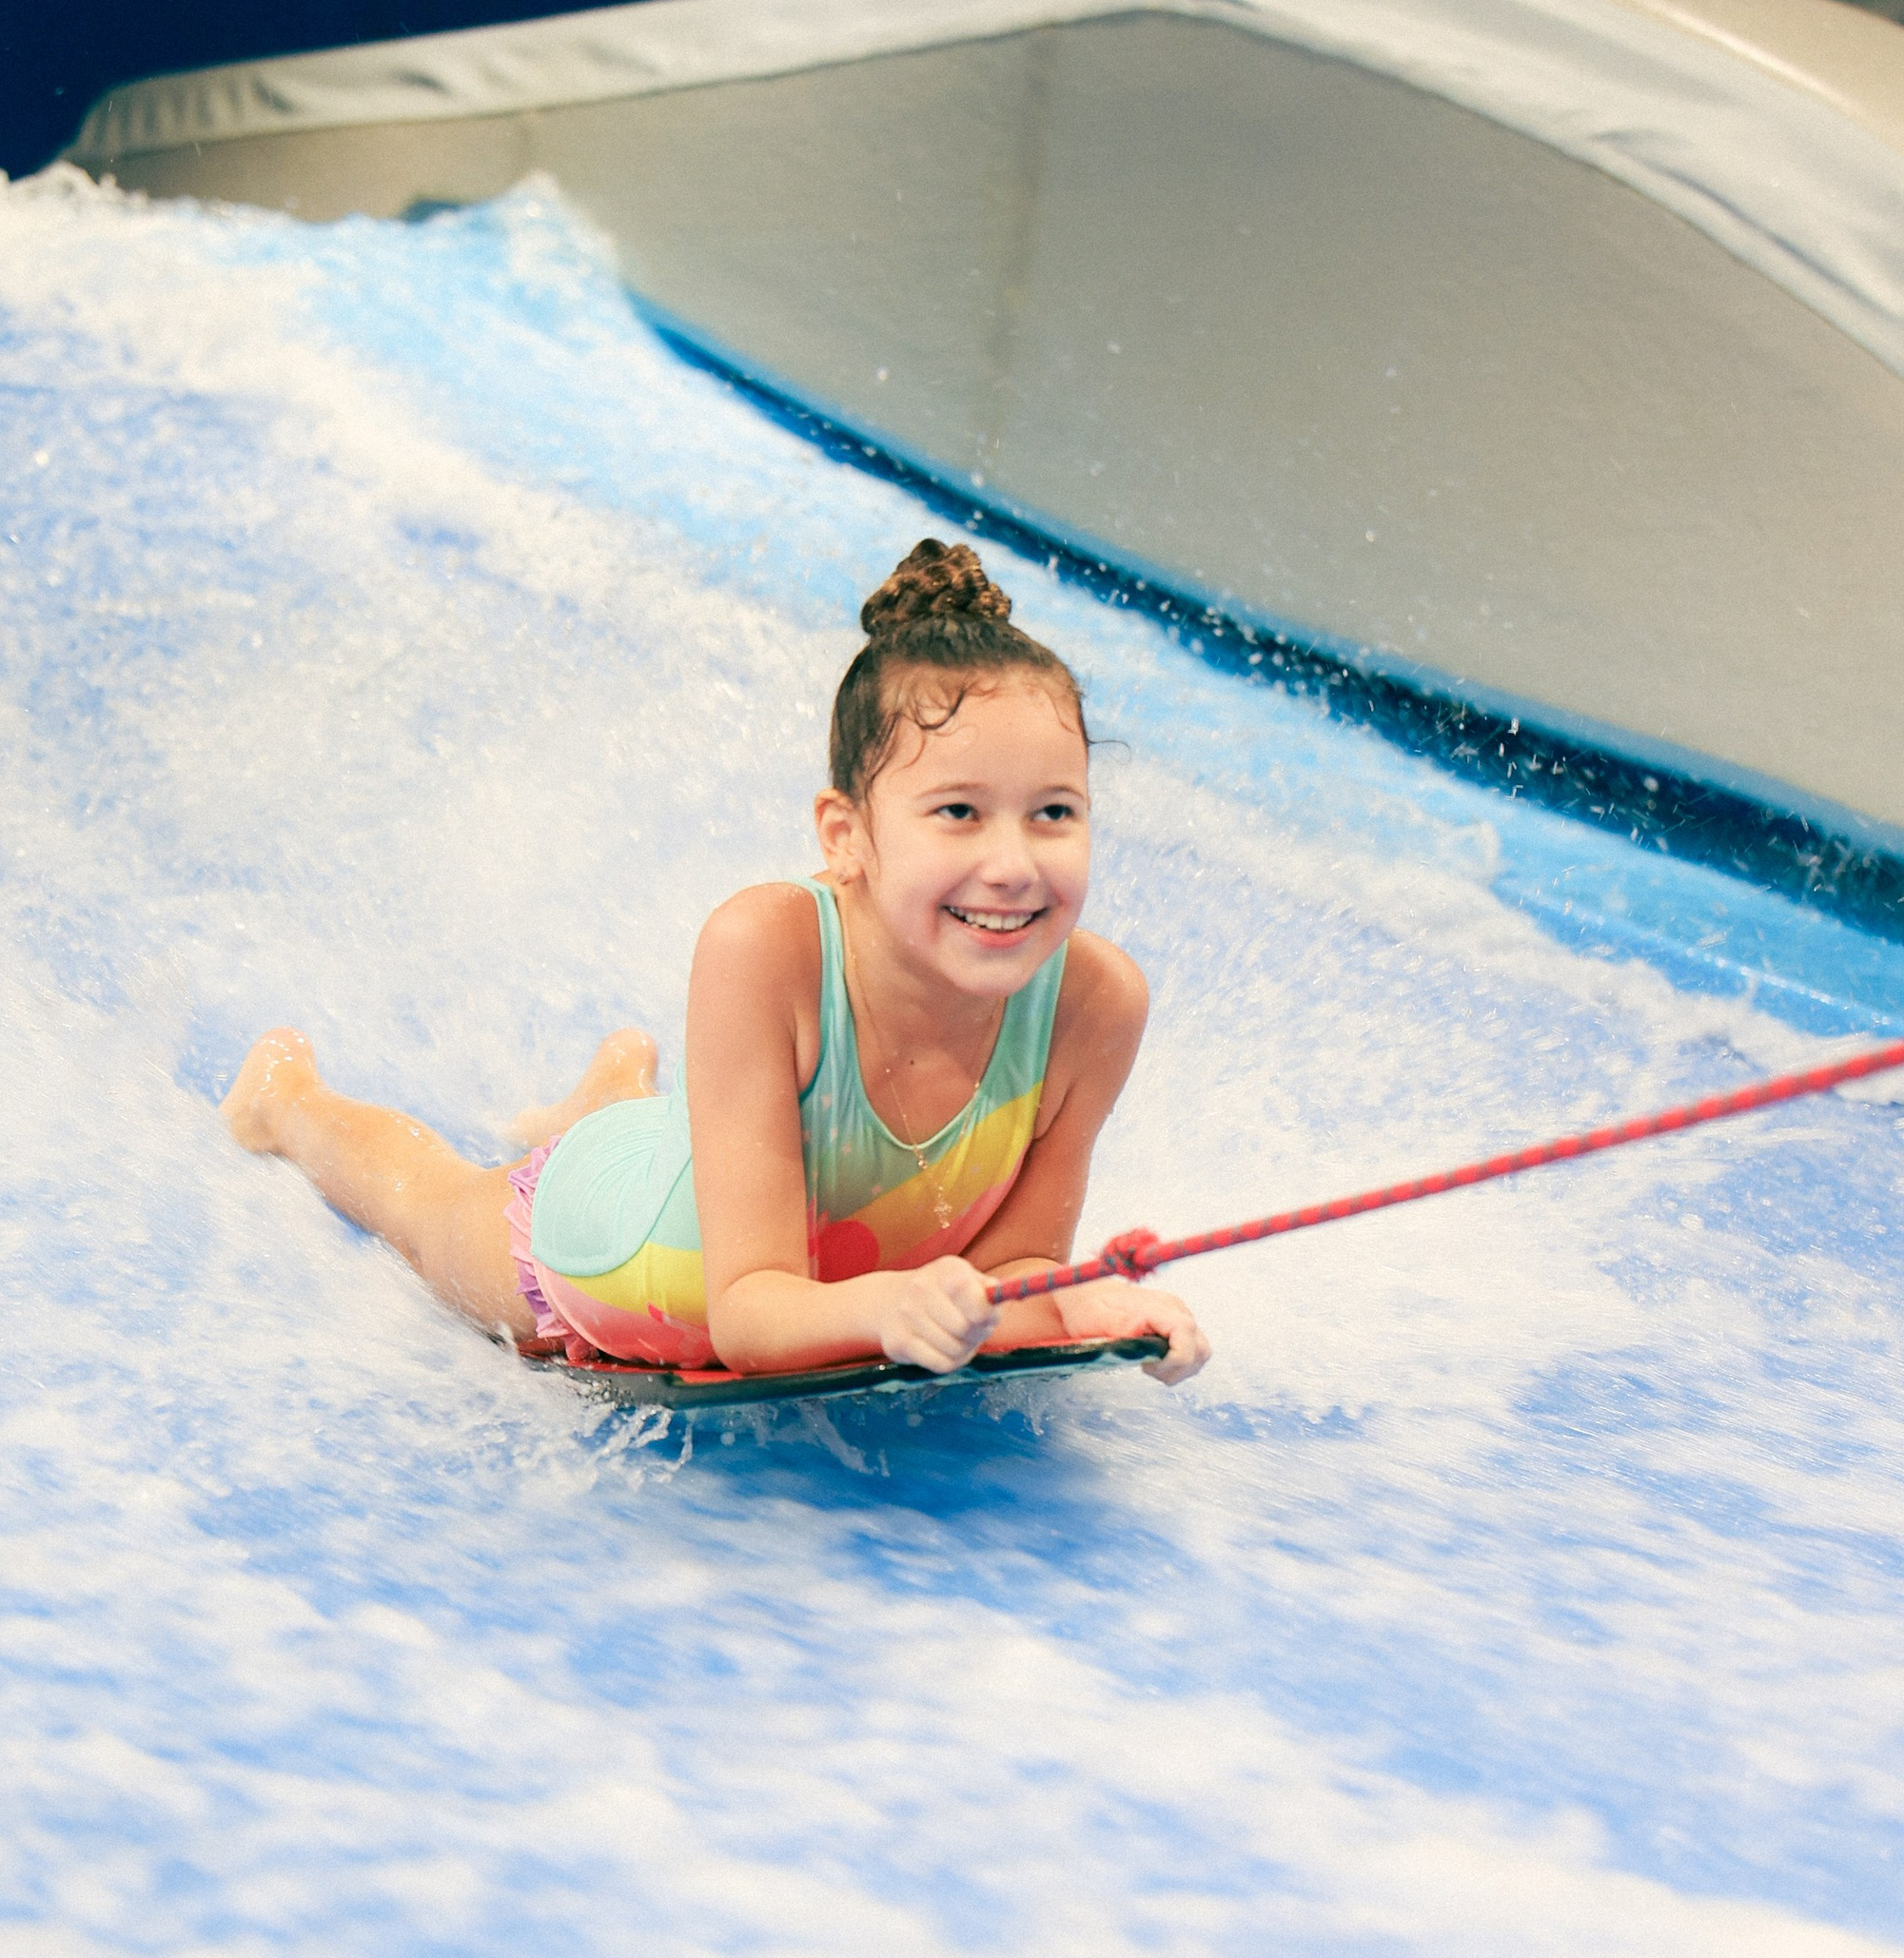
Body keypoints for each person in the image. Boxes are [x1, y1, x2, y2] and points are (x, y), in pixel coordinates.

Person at [223, 538, 1210, 1384]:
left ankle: (615, 1090)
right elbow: (745, 1314)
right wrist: (888, 1311)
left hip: (728, 1189)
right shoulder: (767, 947)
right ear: (846, 836)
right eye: (957, 811)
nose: (1011, 864)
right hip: (618, 1258)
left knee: (696, 1139)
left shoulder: (1093, 1004)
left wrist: (1092, 1317)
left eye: (1054, 813)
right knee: (426, 1207)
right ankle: (287, 1103)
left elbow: (1012, 1278)